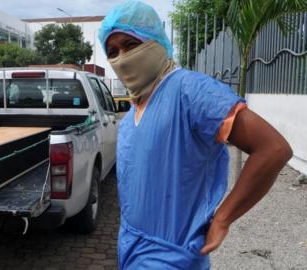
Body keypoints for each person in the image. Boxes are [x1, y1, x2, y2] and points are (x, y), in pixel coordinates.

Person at [99, 2, 293, 269]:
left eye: (131, 44)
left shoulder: (190, 90)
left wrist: (223, 218)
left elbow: (274, 150)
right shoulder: (133, 111)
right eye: (112, 51)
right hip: (131, 249)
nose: (122, 57)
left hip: (172, 256)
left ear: (155, 40)